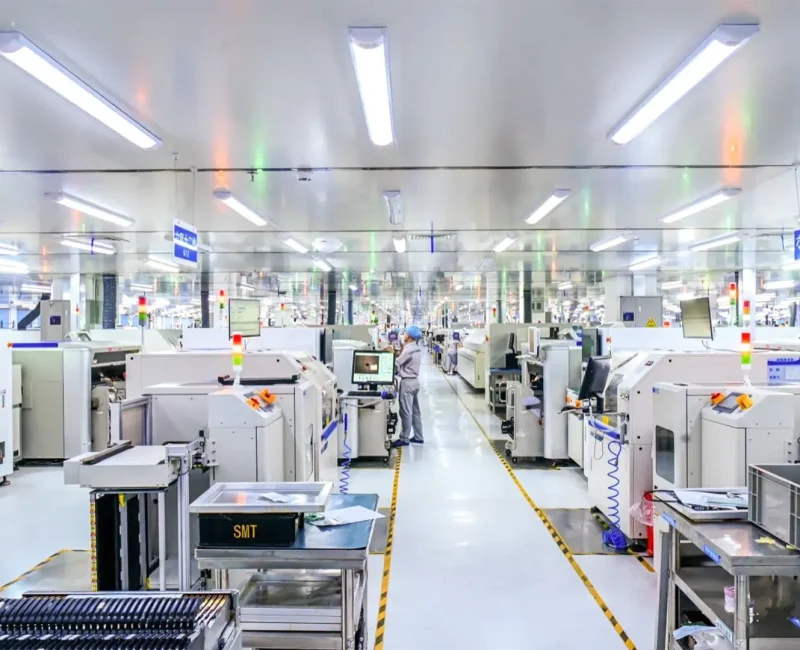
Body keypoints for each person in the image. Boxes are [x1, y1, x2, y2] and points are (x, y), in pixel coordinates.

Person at [392, 324, 424, 447]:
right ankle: (418, 436)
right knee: (416, 411)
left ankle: (404, 438)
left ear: (409, 336)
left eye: (405, 333)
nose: (403, 334)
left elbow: (397, 363)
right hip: (415, 382)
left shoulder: (409, 349)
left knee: (405, 411)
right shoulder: (415, 347)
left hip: (407, 382)